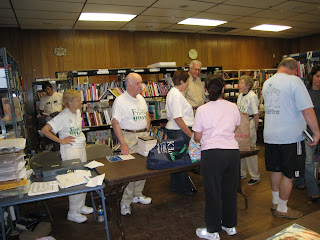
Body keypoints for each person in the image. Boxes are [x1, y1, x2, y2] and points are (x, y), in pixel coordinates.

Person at [262, 57, 320, 219]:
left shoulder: (268, 83)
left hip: (270, 136)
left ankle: (275, 202)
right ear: (295, 69)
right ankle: (282, 208)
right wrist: (316, 133)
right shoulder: (294, 81)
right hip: (289, 138)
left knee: (275, 169)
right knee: (289, 174)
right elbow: (307, 110)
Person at [193, 76, 241, 240]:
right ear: (223, 89)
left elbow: (197, 136)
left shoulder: (202, 110)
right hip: (232, 153)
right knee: (230, 189)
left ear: (206, 91)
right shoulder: (233, 107)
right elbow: (234, 128)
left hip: (212, 154)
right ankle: (230, 225)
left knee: (212, 191)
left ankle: (212, 230)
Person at [41, 90, 93, 223]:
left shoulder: (77, 112)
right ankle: (73, 212)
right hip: (70, 150)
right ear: (69, 102)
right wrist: (61, 140)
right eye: (77, 100)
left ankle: (80, 206)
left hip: (80, 148)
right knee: (74, 179)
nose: (81, 102)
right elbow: (45, 130)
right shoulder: (63, 116)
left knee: (84, 176)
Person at [112, 73, 152, 216]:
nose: (141, 86)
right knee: (131, 171)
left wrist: (147, 123)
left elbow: (147, 112)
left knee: (143, 167)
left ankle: (137, 194)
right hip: (129, 136)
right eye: (138, 83)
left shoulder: (141, 98)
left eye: (141, 83)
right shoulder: (120, 101)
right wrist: (123, 143)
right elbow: (115, 123)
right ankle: (125, 202)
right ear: (128, 85)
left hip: (143, 136)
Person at [165, 70, 195, 196]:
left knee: (176, 161)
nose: (188, 84)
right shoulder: (176, 95)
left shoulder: (173, 93)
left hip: (174, 131)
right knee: (182, 161)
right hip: (179, 132)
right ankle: (184, 189)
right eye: (187, 81)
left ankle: (175, 186)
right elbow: (178, 118)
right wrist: (191, 134)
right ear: (182, 81)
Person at [295, 65, 320, 201]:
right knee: (308, 162)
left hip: (318, 131)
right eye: (317, 76)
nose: (319, 79)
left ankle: (300, 180)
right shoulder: (306, 93)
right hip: (308, 133)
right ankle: (313, 191)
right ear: (312, 77)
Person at [237, 75, 260, 185]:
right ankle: (242, 172)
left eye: (241, 83)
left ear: (248, 85)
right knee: (241, 148)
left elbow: (256, 115)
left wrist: (255, 129)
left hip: (250, 123)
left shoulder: (252, 96)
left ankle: (255, 176)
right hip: (241, 124)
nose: (239, 85)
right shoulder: (240, 95)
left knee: (250, 149)